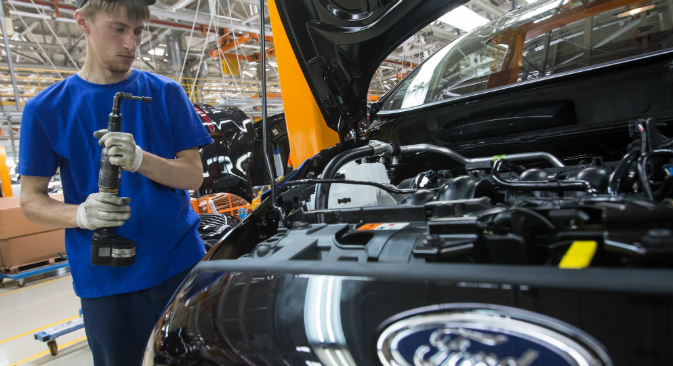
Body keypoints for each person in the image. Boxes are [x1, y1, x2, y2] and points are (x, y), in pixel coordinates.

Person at [18, 0, 212, 364]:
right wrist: (81, 215)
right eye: (119, 29)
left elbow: (192, 175)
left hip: (179, 266)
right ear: (83, 22)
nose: (131, 44)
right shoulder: (45, 110)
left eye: (138, 32)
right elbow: (30, 199)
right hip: (106, 283)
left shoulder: (167, 93)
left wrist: (142, 160)